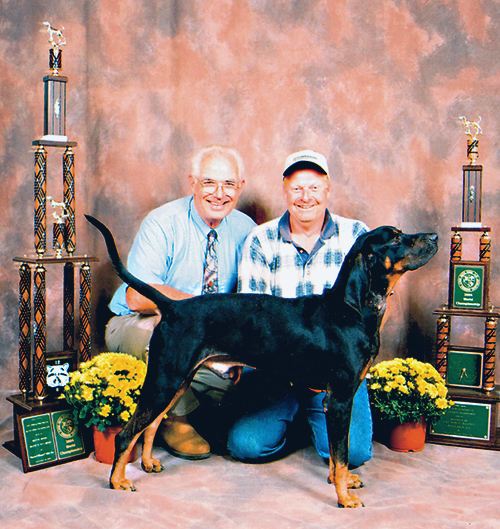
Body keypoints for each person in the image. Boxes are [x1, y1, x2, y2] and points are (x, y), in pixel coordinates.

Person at [105, 145, 256, 461]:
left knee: (249, 370)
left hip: (210, 339)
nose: (219, 193)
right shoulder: (162, 222)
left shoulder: (248, 230)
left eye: (229, 184)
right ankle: (177, 420)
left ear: (240, 187)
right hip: (143, 324)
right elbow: (137, 297)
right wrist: (203, 310)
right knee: (155, 332)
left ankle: (186, 407)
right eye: (209, 182)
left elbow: (251, 305)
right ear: (193, 183)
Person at [227, 149, 373, 468]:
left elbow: (368, 314)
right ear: (285, 190)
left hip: (335, 370)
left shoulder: (356, 236)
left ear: (327, 188)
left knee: (358, 454)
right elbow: (256, 322)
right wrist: (297, 371)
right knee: (246, 447)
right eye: (297, 188)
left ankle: (317, 423)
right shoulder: (260, 240)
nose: (305, 197)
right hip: (277, 369)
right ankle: (298, 425)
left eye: (314, 188)